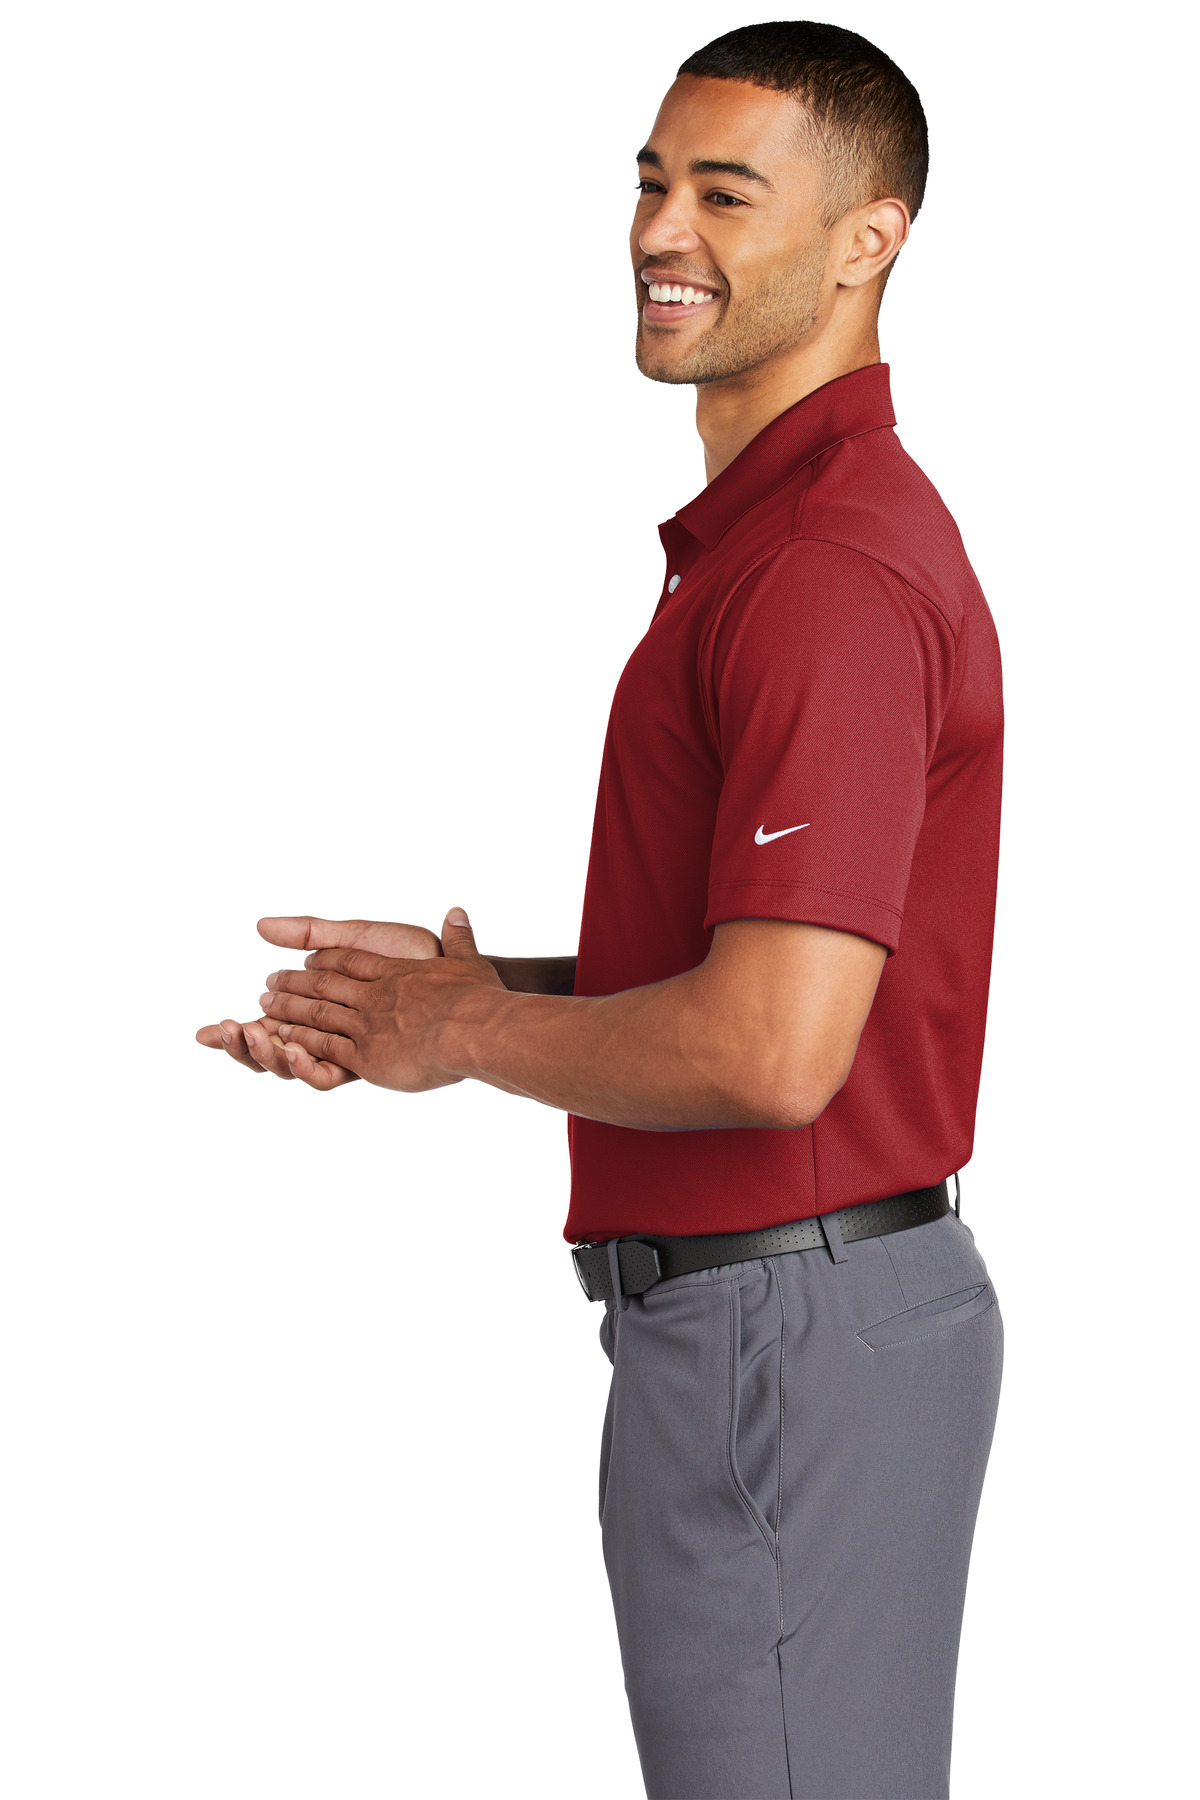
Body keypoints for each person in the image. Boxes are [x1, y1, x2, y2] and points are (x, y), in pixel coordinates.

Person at [197, 21, 1004, 1799]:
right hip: (792, 1319)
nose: (660, 232)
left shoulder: (824, 573)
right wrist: (469, 1000)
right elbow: (771, 972)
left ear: (868, 239)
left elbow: (775, 1049)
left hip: (784, 1335)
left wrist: (470, 1030)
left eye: (726, 193)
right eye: (649, 183)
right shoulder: (783, 544)